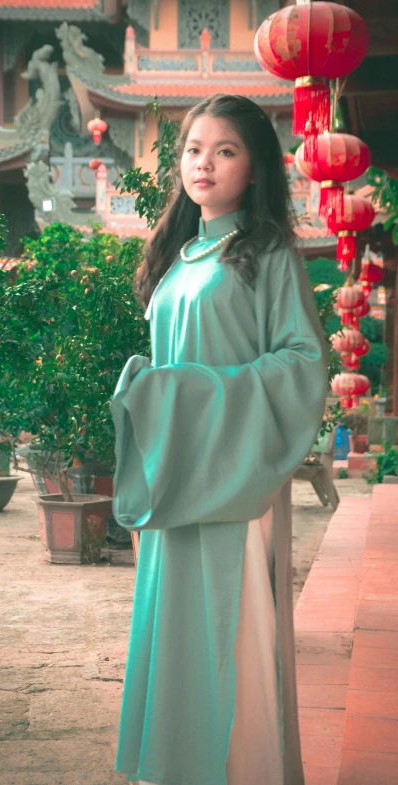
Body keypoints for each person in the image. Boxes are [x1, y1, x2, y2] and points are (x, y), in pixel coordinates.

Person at [109, 94, 329, 785]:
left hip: (234, 479)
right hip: (178, 474)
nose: (203, 163)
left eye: (225, 150)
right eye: (193, 149)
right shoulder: (182, 254)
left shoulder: (266, 255)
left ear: (255, 168)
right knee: (175, 628)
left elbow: (301, 364)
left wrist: (185, 393)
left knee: (230, 638)